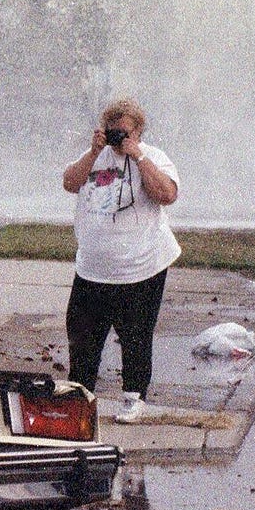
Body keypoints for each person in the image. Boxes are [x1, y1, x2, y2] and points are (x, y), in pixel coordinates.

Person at [62, 98, 180, 423]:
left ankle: (133, 396)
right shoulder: (93, 157)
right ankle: (80, 395)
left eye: (124, 133)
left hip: (141, 266)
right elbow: (70, 183)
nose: (118, 139)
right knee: (83, 334)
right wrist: (92, 152)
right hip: (93, 268)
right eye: (113, 132)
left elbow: (167, 194)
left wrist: (137, 156)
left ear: (138, 131)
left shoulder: (153, 157)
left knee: (136, 334)